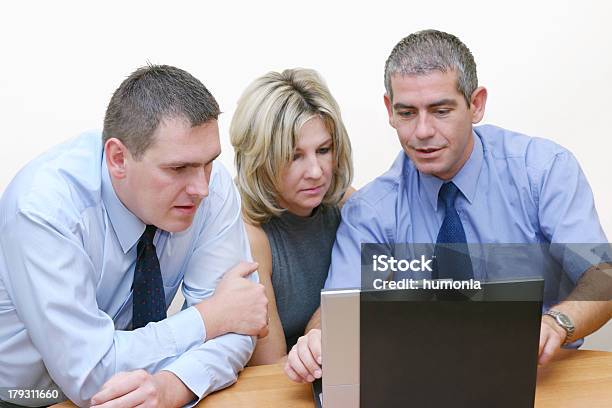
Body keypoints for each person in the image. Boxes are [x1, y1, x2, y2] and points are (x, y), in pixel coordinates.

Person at [285, 29, 612, 383]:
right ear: (389, 111)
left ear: (476, 104)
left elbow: (604, 276)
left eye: (441, 110)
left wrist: (557, 323)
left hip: (540, 378)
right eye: (407, 113)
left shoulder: (543, 170)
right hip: (424, 383)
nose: (422, 131)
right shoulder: (372, 210)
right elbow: (339, 308)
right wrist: (317, 338)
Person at [0, 65, 269, 407]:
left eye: (209, 163)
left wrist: (172, 386)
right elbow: (91, 376)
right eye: (178, 169)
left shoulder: (210, 184)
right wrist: (209, 317)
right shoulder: (42, 209)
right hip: (25, 398)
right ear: (118, 159)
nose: (202, 187)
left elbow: (239, 326)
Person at [230, 68, 354, 365]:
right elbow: (273, 368)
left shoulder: (347, 205)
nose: (315, 172)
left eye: (323, 150)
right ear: (260, 159)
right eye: (294, 155)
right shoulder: (248, 233)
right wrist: (336, 311)